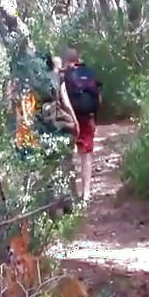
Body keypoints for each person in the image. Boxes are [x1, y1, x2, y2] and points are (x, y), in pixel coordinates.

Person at [61, 47, 102, 202]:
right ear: (78, 59)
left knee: (68, 156)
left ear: (65, 61)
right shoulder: (88, 73)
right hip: (88, 118)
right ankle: (86, 194)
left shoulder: (65, 76)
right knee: (86, 157)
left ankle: (71, 194)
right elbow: (98, 97)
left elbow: (63, 99)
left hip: (70, 119)